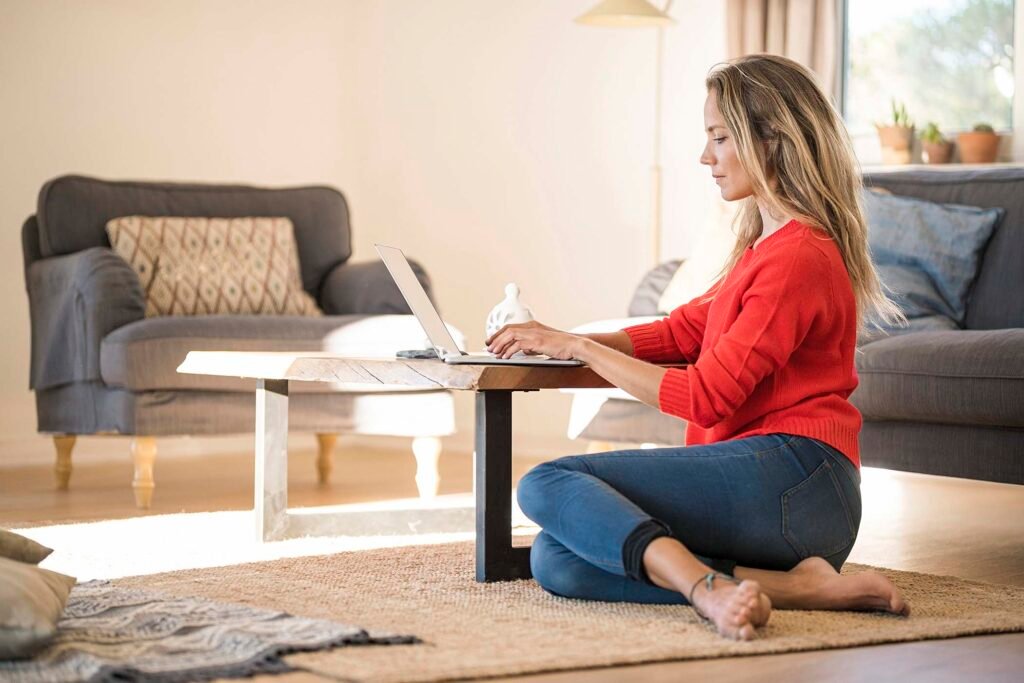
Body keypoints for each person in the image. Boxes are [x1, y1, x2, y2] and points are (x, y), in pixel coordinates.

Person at [484, 54, 910, 641]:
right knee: (557, 558)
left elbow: (707, 395)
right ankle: (794, 587)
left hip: (800, 483)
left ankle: (705, 589)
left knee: (545, 483)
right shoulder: (767, 248)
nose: (704, 157)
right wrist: (552, 346)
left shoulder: (798, 257)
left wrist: (578, 344)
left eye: (719, 137)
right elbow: (682, 334)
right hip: (783, 494)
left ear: (773, 140)